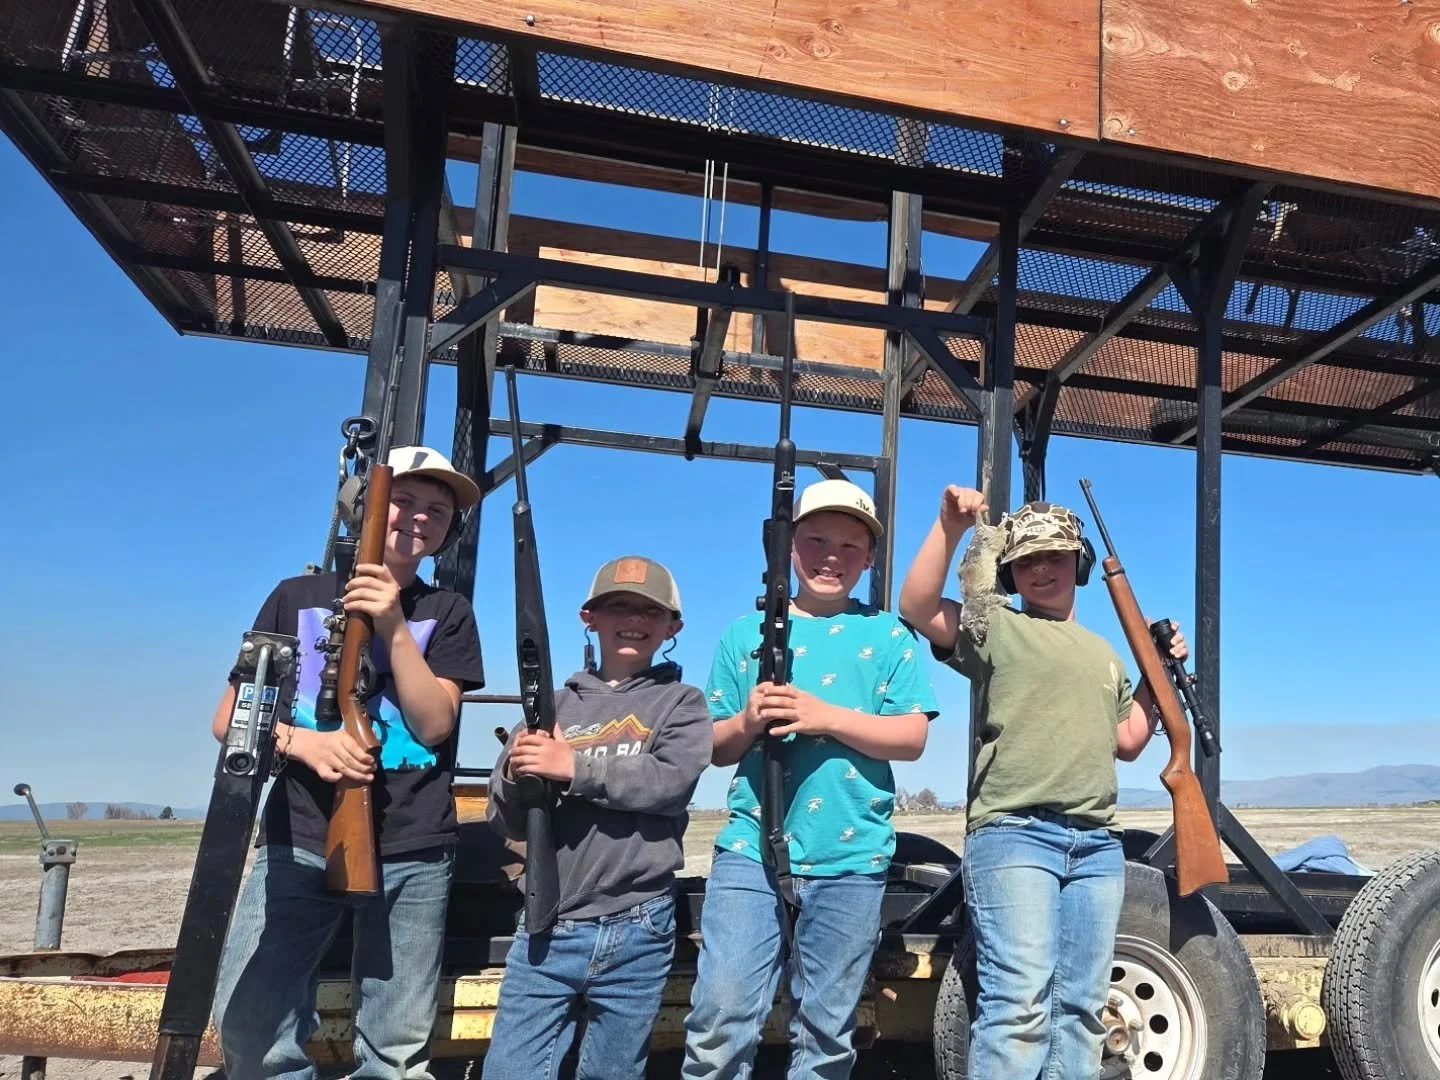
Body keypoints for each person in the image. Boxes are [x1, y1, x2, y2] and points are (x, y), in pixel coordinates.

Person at [209, 446, 485, 1080]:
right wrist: (305, 744)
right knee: (249, 1024)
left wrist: (390, 623)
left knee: (395, 1048)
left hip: (416, 847)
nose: (416, 519)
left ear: (449, 531)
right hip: (298, 838)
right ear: (364, 510)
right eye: (403, 502)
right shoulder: (295, 597)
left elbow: (434, 723)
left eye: (436, 511)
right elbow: (230, 720)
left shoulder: (447, 613)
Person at [897, 486, 1190, 1079]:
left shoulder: (1105, 653)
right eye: (1027, 559)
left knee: (1081, 1010)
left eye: (1055, 555)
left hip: (1098, 846)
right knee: (1018, 1004)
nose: (1041, 568)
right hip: (1015, 835)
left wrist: (1154, 675)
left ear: (1079, 565)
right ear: (1009, 570)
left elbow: (1129, 742)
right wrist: (949, 527)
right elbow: (917, 605)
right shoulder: (996, 628)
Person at [681, 478, 940, 1080]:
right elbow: (717, 748)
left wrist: (822, 717)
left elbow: (912, 737)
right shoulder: (744, 635)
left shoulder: (889, 635)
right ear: (787, 548)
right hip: (751, 850)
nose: (831, 556)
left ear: (870, 558)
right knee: (721, 1018)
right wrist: (750, 719)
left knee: (827, 1032)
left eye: (849, 547)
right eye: (816, 540)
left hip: (853, 858)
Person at [484, 556, 713, 1080]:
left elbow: (669, 784)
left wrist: (573, 767)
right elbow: (506, 819)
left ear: (671, 627)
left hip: (639, 924)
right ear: (589, 617)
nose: (632, 618)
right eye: (617, 606)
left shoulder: (682, 703)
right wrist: (520, 775)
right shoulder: (550, 707)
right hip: (547, 923)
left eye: (648, 610)